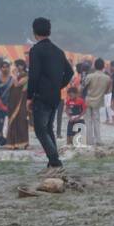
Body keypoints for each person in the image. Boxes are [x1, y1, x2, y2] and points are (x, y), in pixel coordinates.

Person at [27, 17, 74, 169]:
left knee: (41, 131)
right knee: (48, 129)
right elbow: (70, 72)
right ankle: (53, 163)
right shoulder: (58, 51)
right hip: (55, 97)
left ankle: (55, 160)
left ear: (34, 32)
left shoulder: (35, 50)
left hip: (41, 96)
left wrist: (29, 96)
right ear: (49, 31)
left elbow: (33, 75)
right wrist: (58, 86)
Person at [81, 58, 111, 148]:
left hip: (88, 100)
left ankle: (89, 141)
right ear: (103, 66)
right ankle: (98, 140)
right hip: (98, 101)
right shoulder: (107, 78)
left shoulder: (90, 76)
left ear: (94, 66)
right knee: (97, 121)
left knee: (88, 121)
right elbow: (107, 91)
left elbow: (83, 86)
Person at [4, 59, 30, 148]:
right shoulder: (15, 76)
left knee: (21, 121)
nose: (18, 67)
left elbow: (17, 85)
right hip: (13, 102)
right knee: (13, 121)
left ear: (23, 66)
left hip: (21, 102)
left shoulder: (26, 76)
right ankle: (13, 143)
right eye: (16, 65)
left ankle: (23, 142)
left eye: (19, 65)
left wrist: (14, 75)